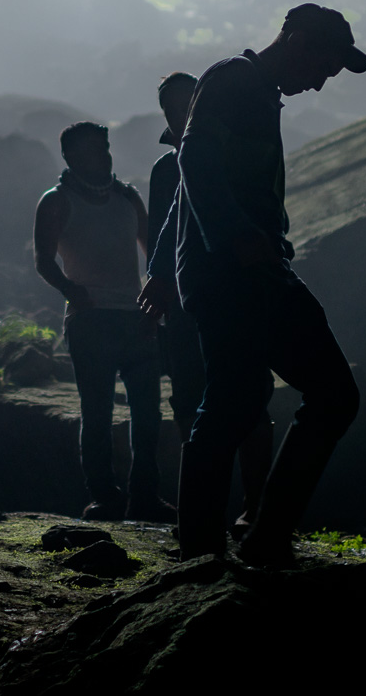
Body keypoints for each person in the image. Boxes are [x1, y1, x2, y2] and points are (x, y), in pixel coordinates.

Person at [140, 3, 366, 565]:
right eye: (323, 64)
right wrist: (235, 238)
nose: (322, 81)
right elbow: (194, 165)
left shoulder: (258, 92)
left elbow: (186, 193)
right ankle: (244, 540)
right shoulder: (233, 80)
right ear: (293, 40)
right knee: (321, 395)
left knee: (238, 400)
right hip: (235, 274)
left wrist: (174, 265)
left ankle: (223, 541)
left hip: (243, 270)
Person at [148, 72, 274, 538]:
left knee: (250, 397)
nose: (181, 118)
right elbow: (160, 231)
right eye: (172, 112)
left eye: (186, 108)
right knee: (189, 400)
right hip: (186, 303)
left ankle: (257, 505)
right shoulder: (166, 170)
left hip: (237, 293)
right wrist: (158, 284)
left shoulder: (232, 156)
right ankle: (203, 510)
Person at [35, 121, 175, 522]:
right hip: (90, 321)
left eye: (106, 146)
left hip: (137, 317)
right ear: (71, 157)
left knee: (148, 412)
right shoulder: (56, 201)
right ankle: (104, 498)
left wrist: (157, 298)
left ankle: (145, 496)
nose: (106, 154)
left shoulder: (128, 197)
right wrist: (72, 291)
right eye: (96, 148)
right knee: (96, 412)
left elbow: (155, 253)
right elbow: (43, 260)